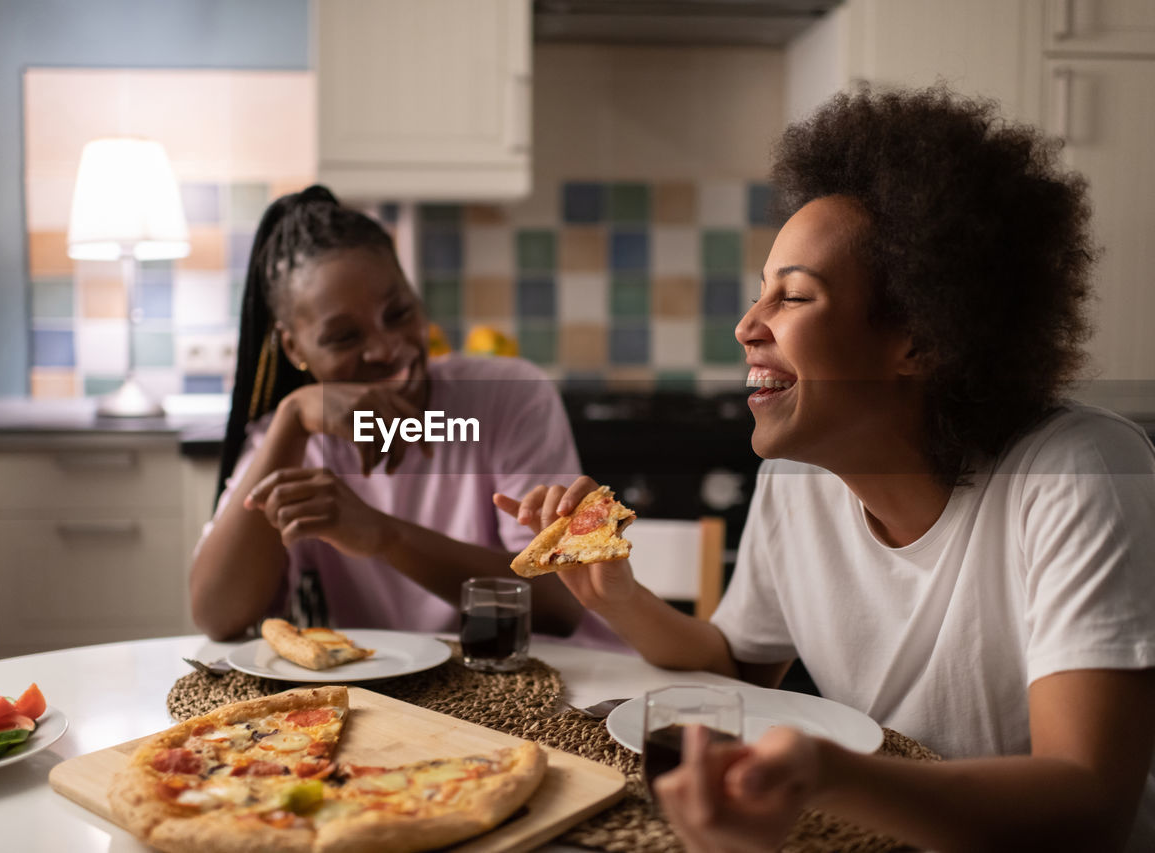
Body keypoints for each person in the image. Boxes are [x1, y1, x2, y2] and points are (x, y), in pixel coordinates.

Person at [496, 87, 1155, 852]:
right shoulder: (798, 479)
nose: (747, 327)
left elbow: (1089, 801)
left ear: (920, 338)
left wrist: (829, 775)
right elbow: (736, 662)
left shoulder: (1077, 473)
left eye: (794, 297)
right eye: (758, 295)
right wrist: (618, 594)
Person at [190, 185, 599, 643]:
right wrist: (289, 418)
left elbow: (562, 604)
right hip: (401, 701)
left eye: (399, 312)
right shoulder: (292, 439)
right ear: (293, 347)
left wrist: (383, 536)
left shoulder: (507, 396)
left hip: (546, 682)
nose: (387, 348)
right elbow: (217, 615)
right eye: (343, 337)